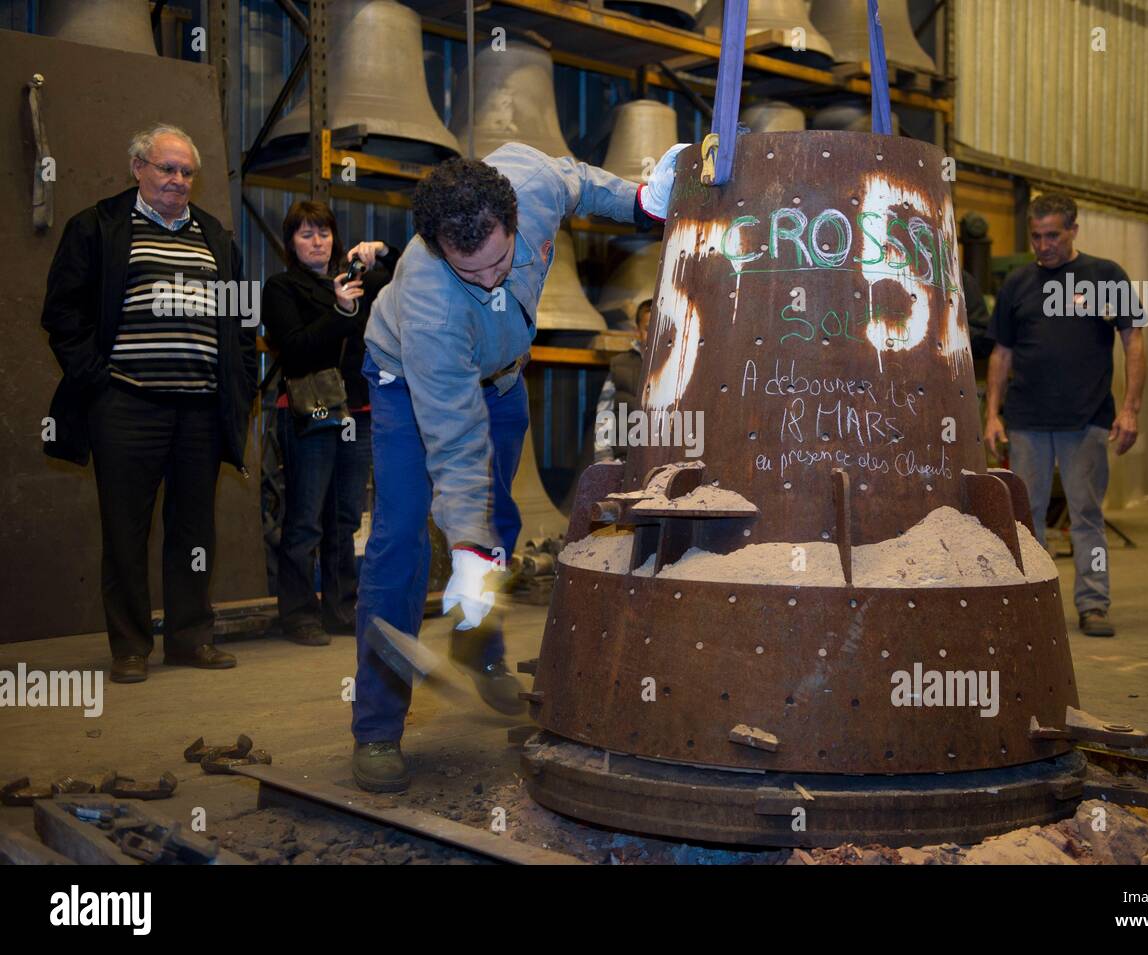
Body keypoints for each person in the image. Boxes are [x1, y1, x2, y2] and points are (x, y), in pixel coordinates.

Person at [351, 140, 686, 792]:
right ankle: (376, 726)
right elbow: (454, 443)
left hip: (502, 377)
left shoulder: (531, 181)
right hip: (406, 382)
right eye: (468, 271)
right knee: (399, 541)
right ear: (437, 247)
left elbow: (582, 183)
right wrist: (465, 546)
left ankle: (479, 642)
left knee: (499, 520)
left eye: (501, 260)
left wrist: (642, 202)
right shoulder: (428, 300)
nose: (490, 281)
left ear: (513, 217)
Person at [40, 124, 256, 683]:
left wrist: (239, 387)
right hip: (127, 407)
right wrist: (98, 378)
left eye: (186, 172)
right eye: (166, 168)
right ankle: (130, 647)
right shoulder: (99, 226)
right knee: (125, 528)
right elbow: (62, 312)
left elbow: (240, 321)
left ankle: (188, 637)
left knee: (194, 531)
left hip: (200, 414)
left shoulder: (214, 237)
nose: (178, 180)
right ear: (138, 168)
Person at [983, 193, 1146, 638]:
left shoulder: (1105, 276)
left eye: (1053, 234)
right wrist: (992, 415)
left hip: (1086, 418)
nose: (1044, 245)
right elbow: (1001, 353)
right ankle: (1032, 603)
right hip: (1027, 421)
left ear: (1074, 230)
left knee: (1086, 516)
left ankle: (1093, 604)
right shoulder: (1017, 284)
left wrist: (1130, 409)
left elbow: (1133, 341)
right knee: (1025, 517)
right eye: (1036, 237)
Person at [261, 202, 398, 646]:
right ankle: (299, 614)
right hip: (311, 410)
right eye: (305, 234)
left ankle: (340, 609)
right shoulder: (281, 289)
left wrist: (382, 248)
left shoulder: (357, 281)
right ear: (291, 244)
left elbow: (410, 271)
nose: (316, 242)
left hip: (356, 412)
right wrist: (339, 312)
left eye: (323, 233)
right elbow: (296, 350)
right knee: (304, 517)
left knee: (343, 517)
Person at [594, 298, 653, 463]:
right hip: (625, 459)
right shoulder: (621, 365)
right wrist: (603, 457)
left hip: (663, 460)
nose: (655, 334)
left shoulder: (678, 367)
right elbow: (604, 414)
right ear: (637, 331)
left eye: (660, 328)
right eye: (648, 329)